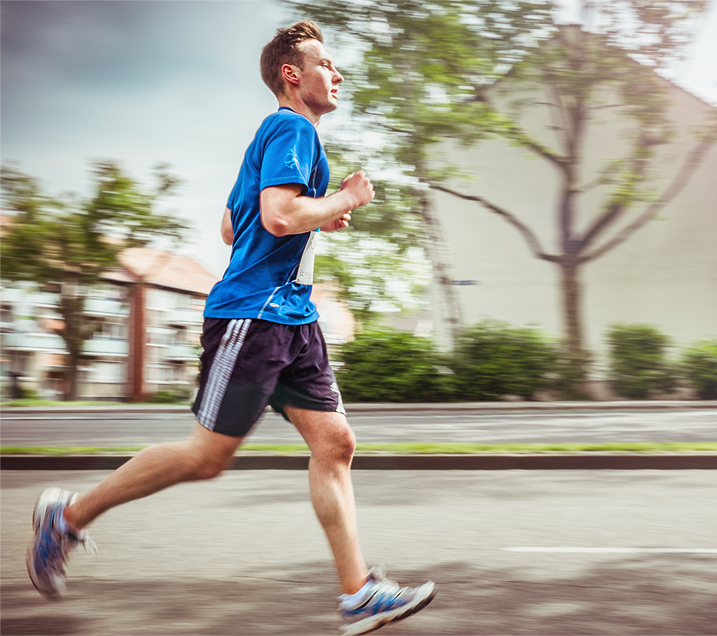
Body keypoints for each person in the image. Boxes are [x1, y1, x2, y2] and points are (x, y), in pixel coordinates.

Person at [27, 21, 436, 636]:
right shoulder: (291, 127)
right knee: (206, 457)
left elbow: (231, 224)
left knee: (335, 444)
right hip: (254, 316)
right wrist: (343, 200)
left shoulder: (278, 140)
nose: (338, 74)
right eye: (326, 63)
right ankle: (68, 516)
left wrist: (315, 217)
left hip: (294, 317)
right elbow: (275, 216)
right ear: (292, 75)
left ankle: (358, 594)